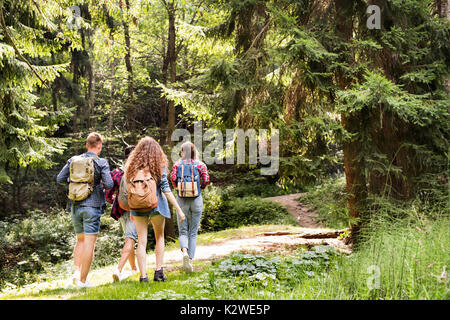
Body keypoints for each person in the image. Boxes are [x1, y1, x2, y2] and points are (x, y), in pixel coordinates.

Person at [124, 136, 185, 282]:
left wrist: (131, 208)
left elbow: (129, 189)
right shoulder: (158, 165)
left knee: (142, 241)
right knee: (160, 237)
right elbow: (165, 188)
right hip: (156, 205)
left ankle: (143, 276)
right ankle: (158, 272)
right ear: (156, 151)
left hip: (138, 208)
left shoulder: (131, 166)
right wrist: (178, 209)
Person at [56, 132, 113, 288]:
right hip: (92, 206)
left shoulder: (73, 160)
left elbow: (60, 178)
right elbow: (109, 185)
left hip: (75, 205)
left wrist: (76, 182)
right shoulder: (101, 162)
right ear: (99, 147)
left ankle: (76, 272)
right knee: (89, 243)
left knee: (80, 240)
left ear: (87, 145)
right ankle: (83, 281)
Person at [170, 142, 209, 273]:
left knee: (182, 231)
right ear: (194, 151)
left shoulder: (177, 165)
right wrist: (200, 188)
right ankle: (190, 261)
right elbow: (206, 179)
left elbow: (173, 178)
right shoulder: (200, 164)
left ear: (182, 152)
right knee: (193, 232)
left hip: (181, 200)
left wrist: (177, 188)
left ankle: (185, 253)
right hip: (196, 199)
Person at [105, 145, 138, 282]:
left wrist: (117, 201)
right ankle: (118, 270)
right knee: (130, 239)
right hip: (135, 210)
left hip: (121, 210)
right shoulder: (137, 173)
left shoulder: (117, 173)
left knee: (128, 238)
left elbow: (107, 195)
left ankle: (134, 268)